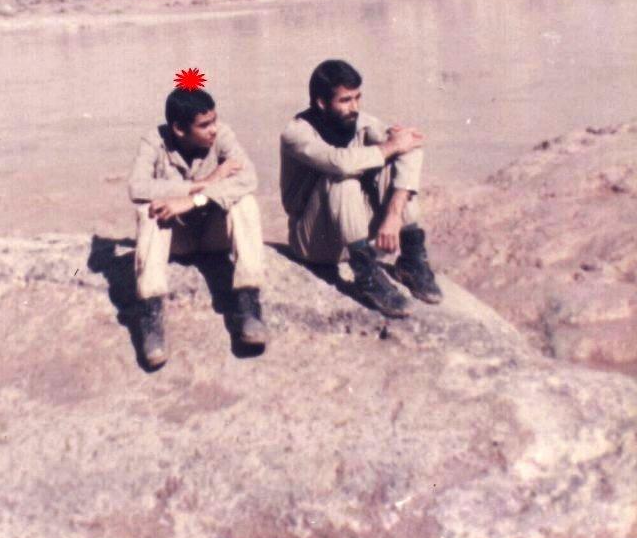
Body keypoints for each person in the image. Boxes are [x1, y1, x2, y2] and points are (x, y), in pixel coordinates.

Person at [279, 59, 442, 317]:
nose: (354, 107)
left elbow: (410, 147)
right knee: (342, 177)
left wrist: (393, 215)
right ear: (321, 102)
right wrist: (390, 146)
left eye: (357, 98)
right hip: (314, 240)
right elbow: (339, 162)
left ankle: (411, 260)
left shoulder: (361, 121)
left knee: (401, 163)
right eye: (345, 100)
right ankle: (366, 275)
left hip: (354, 232)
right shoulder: (296, 133)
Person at [129, 87, 267, 366]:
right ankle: (151, 313)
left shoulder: (223, 135)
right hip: (178, 238)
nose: (214, 129)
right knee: (149, 210)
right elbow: (137, 187)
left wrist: (194, 200)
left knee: (245, 202)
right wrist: (200, 183)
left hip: (214, 234)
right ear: (179, 129)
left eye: (214, 120)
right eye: (204, 125)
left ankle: (248, 302)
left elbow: (249, 178)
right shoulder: (154, 141)